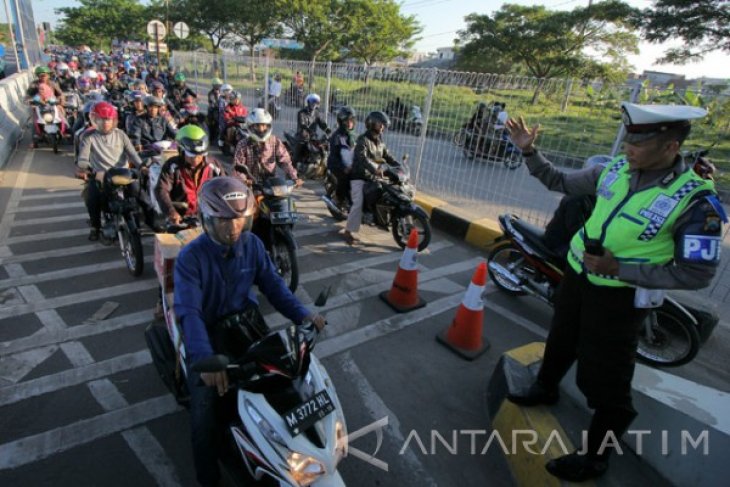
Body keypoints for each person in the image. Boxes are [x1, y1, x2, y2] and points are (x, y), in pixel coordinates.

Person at [504, 103, 725, 482]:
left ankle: (595, 457)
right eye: (627, 139)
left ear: (671, 147)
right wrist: (528, 150)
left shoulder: (696, 202)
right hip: (577, 277)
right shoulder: (616, 169)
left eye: (639, 143)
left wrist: (618, 268)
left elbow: (696, 273)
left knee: (605, 379)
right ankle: (545, 388)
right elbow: (559, 181)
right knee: (561, 338)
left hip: (619, 299)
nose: (627, 148)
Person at [174, 176, 326, 487]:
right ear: (206, 218)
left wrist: (304, 314)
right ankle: (208, 480)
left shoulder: (253, 245)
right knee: (204, 418)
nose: (233, 229)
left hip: (249, 324)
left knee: (285, 381)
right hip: (208, 334)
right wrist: (203, 359)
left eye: (239, 220)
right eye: (223, 221)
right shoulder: (191, 258)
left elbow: (275, 287)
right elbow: (189, 313)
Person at [76, 102, 143, 241]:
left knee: (140, 193)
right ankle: (95, 226)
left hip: (123, 174)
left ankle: (148, 220)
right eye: (101, 119)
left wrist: (142, 167)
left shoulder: (121, 135)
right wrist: (83, 169)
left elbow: (133, 154)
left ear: (114, 120)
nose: (105, 123)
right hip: (101, 176)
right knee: (92, 196)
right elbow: (83, 157)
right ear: (95, 120)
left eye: (108, 119)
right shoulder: (89, 137)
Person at [343, 111, 399, 245]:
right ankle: (348, 231)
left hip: (374, 175)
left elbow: (387, 156)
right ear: (372, 123)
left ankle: (378, 216)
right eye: (380, 124)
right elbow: (362, 158)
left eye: (383, 125)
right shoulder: (363, 140)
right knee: (358, 203)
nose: (382, 127)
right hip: (360, 176)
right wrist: (375, 169)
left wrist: (398, 166)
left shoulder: (380, 140)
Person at [155, 125, 223, 225]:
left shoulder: (214, 165)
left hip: (209, 218)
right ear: (181, 150)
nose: (196, 159)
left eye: (200, 155)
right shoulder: (172, 166)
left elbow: (225, 186)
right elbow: (161, 189)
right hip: (181, 219)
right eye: (191, 155)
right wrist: (171, 211)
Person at [232, 108, 301, 185]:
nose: (261, 129)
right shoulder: (243, 144)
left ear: (268, 126)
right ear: (250, 126)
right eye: (257, 126)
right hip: (250, 185)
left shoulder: (274, 141)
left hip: (270, 185)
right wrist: (244, 180)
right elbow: (238, 168)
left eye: (264, 125)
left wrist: (294, 177)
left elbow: (285, 161)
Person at [327, 106, 357, 206]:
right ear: (341, 122)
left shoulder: (354, 136)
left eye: (351, 120)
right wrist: (344, 168)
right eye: (346, 121)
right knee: (346, 178)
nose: (349, 123)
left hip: (353, 165)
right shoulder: (337, 136)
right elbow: (333, 157)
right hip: (338, 165)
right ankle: (339, 198)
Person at [294, 93, 329, 163]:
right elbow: (302, 124)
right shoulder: (301, 113)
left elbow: (321, 123)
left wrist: (327, 129)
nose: (314, 104)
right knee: (300, 145)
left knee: (321, 146)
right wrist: (307, 130)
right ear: (308, 102)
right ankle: (294, 164)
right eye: (313, 102)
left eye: (316, 102)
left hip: (313, 136)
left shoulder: (317, 113)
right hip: (302, 135)